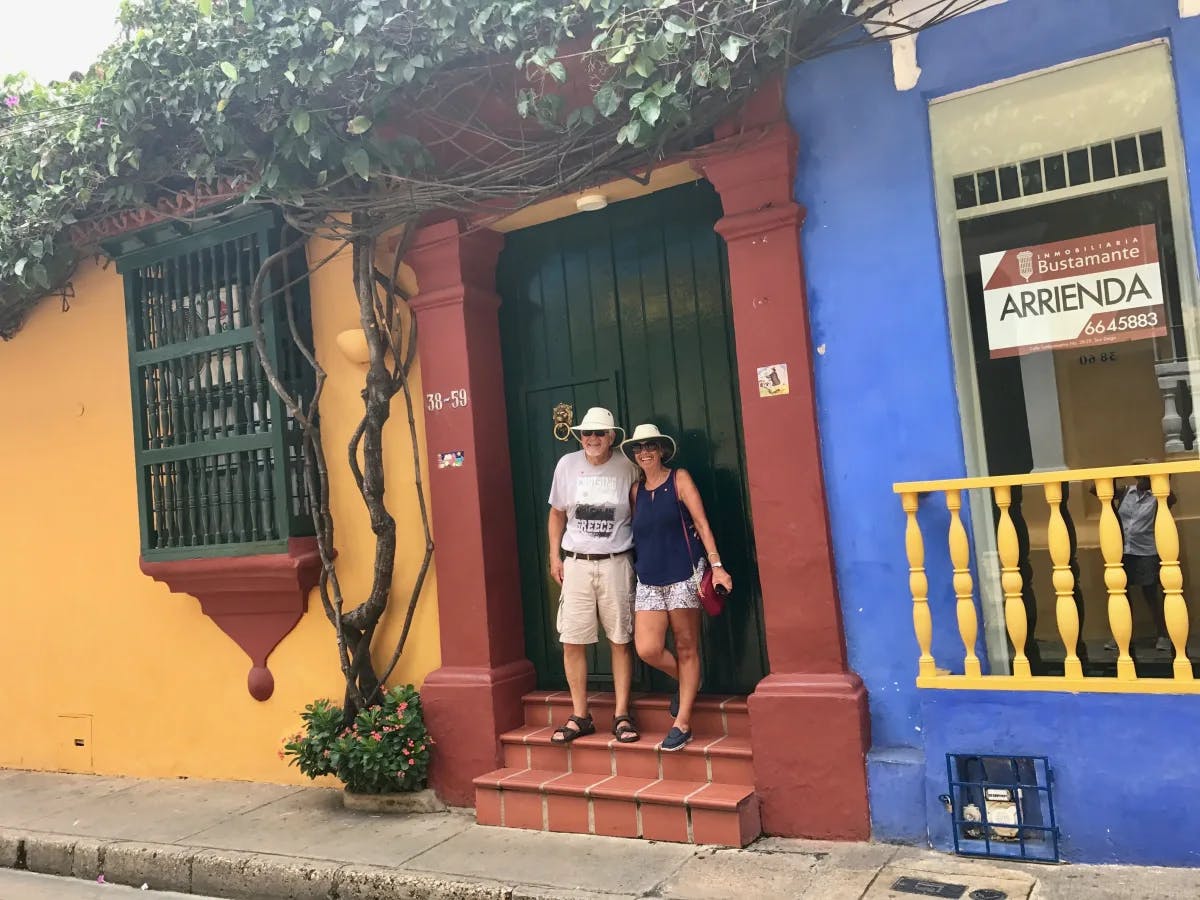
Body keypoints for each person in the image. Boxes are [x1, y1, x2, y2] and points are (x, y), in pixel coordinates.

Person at [621, 424, 733, 751]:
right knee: (647, 648)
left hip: (685, 573)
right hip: (649, 579)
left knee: (686, 646)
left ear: (662, 449)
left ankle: (682, 722)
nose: (644, 452)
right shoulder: (634, 492)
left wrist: (717, 565)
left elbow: (701, 522)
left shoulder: (679, 478)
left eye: (650, 446)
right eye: (639, 448)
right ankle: (689, 682)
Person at [547, 407, 641, 744]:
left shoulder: (628, 467)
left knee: (620, 638)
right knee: (572, 639)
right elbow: (557, 513)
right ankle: (580, 715)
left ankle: (621, 714)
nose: (592, 439)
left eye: (599, 434)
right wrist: (554, 555)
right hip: (577, 563)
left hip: (616, 561)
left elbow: (638, 511)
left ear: (612, 436)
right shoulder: (567, 465)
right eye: (586, 434)